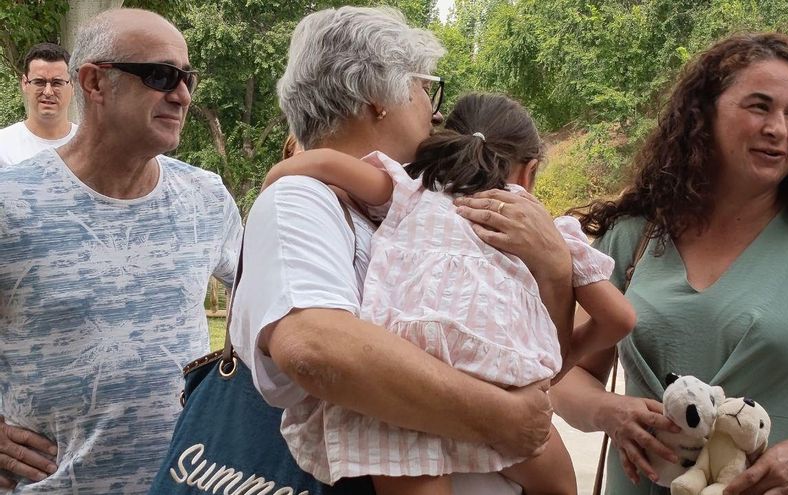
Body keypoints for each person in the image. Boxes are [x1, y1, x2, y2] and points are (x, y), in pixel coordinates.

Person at [457, 32, 788, 494]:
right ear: (705, 116)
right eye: (759, 106)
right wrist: (608, 412)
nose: (779, 128)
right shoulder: (632, 239)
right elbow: (563, 371)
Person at [229, 6, 575, 495]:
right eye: (424, 88)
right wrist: (507, 419)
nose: (435, 111)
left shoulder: (422, 206)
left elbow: (539, 358)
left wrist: (555, 271)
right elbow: (315, 346)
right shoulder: (302, 199)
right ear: (376, 99)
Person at [261, 92, 637, 494]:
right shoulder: (539, 224)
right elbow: (619, 318)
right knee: (560, 484)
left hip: (408, 366)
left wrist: (279, 177)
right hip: (498, 374)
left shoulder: (411, 185)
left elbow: (328, 164)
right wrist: (559, 361)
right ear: (528, 172)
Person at [0, 9, 241, 494]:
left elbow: (273, 305)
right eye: (161, 76)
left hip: (187, 484)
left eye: (187, 77)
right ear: (94, 82)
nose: (183, 95)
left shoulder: (206, 197)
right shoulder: (10, 201)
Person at [0, 43, 78, 167]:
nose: (48, 92)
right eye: (39, 82)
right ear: (25, 83)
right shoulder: (3, 147)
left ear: (73, 85)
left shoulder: (90, 146)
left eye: (57, 83)